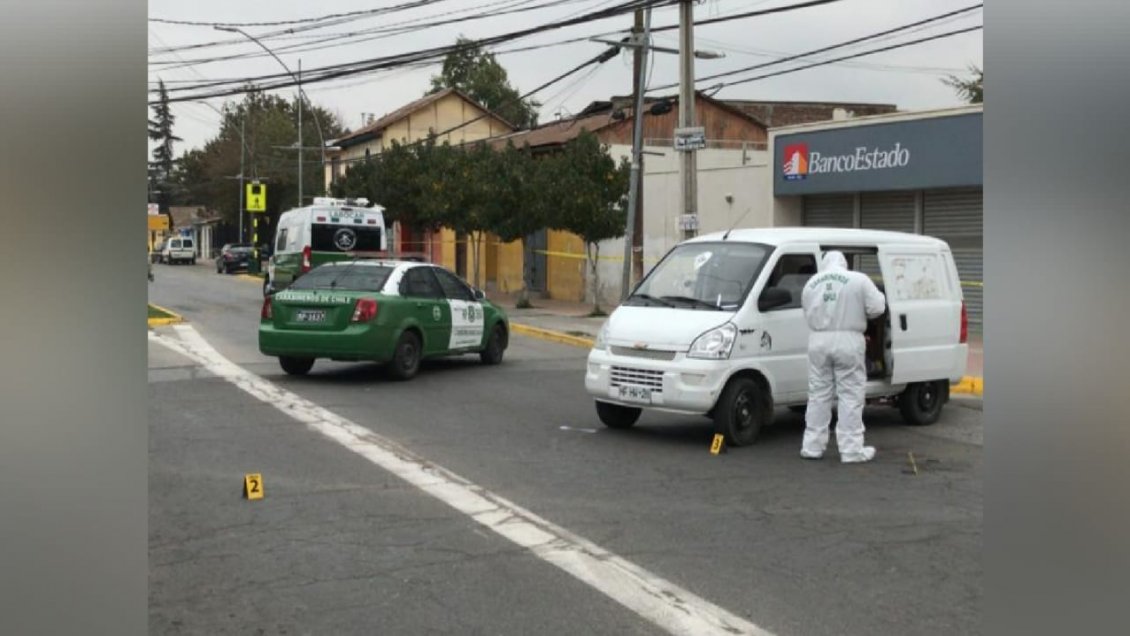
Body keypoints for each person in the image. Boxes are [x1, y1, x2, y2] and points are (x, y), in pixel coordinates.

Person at [800, 251, 886, 463]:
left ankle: (812, 447)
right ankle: (850, 450)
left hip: (818, 340)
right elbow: (878, 307)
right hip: (848, 340)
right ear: (844, 263)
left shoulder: (811, 284)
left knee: (818, 394)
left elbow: (807, 311)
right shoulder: (858, 280)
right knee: (850, 394)